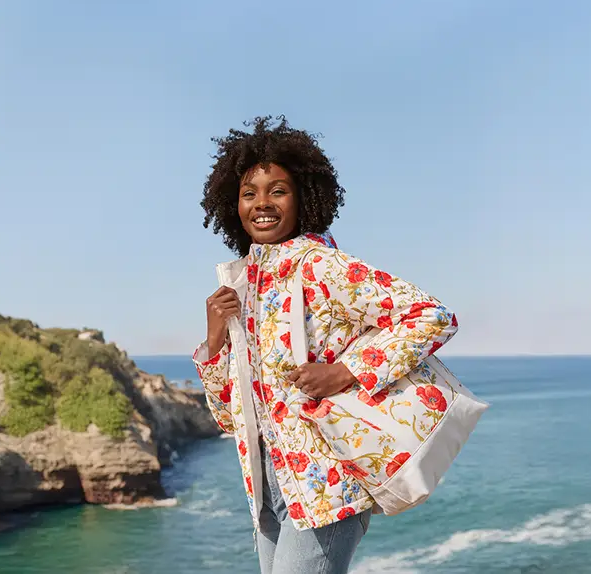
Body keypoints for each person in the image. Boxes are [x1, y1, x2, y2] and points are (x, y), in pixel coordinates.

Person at [194, 117, 458, 574]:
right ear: (231, 203)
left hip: (327, 484)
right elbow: (228, 417)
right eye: (249, 192)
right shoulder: (241, 287)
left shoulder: (321, 266)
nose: (262, 204)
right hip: (268, 489)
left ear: (304, 199)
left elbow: (431, 315)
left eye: (278, 190)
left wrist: (344, 371)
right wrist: (216, 340)